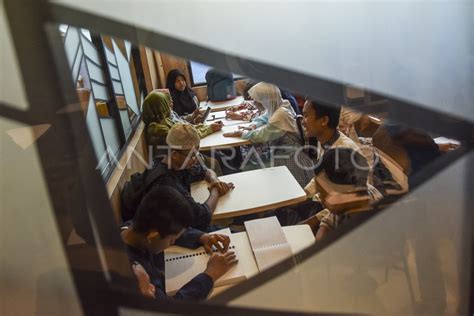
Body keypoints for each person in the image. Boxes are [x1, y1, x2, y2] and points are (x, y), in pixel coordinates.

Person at [121, 185, 237, 301]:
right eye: (172, 240)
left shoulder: (134, 228)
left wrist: (202, 237)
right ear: (153, 236)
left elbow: (168, 230)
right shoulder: (135, 276)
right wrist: (210, 274)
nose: (174, 242)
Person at [223, 82, 314, 188]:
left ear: (265, 100)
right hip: (282, 149)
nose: (255, 103)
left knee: (249, 165)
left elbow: (261, 135)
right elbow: (263, 118)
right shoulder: (281, 104)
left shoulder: (280, 114)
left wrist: (242, 133)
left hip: (288, 156)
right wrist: (253, 125)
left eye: (257, 101)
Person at [150, 123, 234, 231]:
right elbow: (202, 217)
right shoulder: (166, 183)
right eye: (192, 156)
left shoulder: (174, 165)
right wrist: (215, 190)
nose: (195, 159)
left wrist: (214, 180)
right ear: (175, 154)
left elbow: (205, 171)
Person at [142, 91, 223, 157]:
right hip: (183, 161)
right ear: (161, 106)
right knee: (218, 157)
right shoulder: (159, 129)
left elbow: (187, 128)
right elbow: (187, 138)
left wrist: (207, 127)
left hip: (184, 157)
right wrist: (209, 129)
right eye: (166, 102)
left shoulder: (162, 121)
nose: (169, 103)